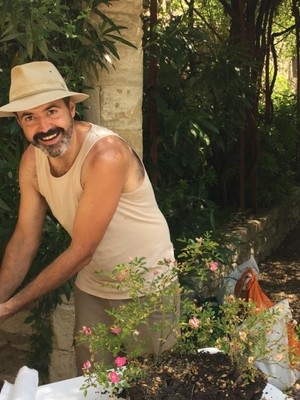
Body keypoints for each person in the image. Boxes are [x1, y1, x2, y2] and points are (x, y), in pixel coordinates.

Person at [0, 61, 179, 373]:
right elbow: (25, 238)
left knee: (156, 386)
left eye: (52, 110)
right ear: (20, 122)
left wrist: (12, 307)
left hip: (147, 287)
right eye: (30, 117)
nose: (44, 127)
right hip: (94, 288)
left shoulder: (105, 154)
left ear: (71, 109)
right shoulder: (32, 161)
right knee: (92, 386)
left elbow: (82, 250)